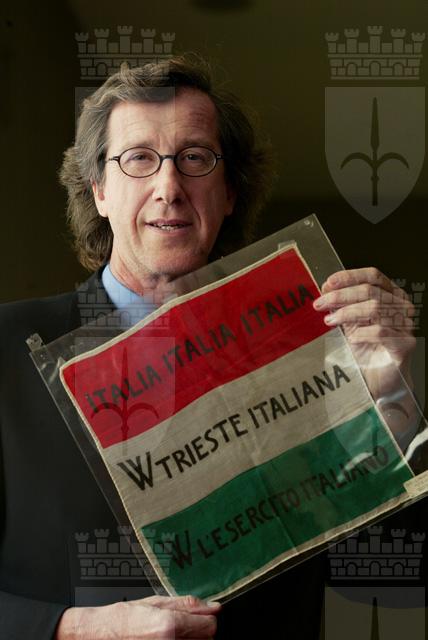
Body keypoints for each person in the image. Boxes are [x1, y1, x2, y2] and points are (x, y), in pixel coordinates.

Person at [0, 55, 418, 639]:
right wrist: (71, 629)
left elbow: (385, 575)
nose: (169, 188)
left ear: (229, 194)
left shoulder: (315, 346)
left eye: (195, 158)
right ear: (99, 190)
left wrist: (391, 396)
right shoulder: (6, 350)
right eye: (139, 158)